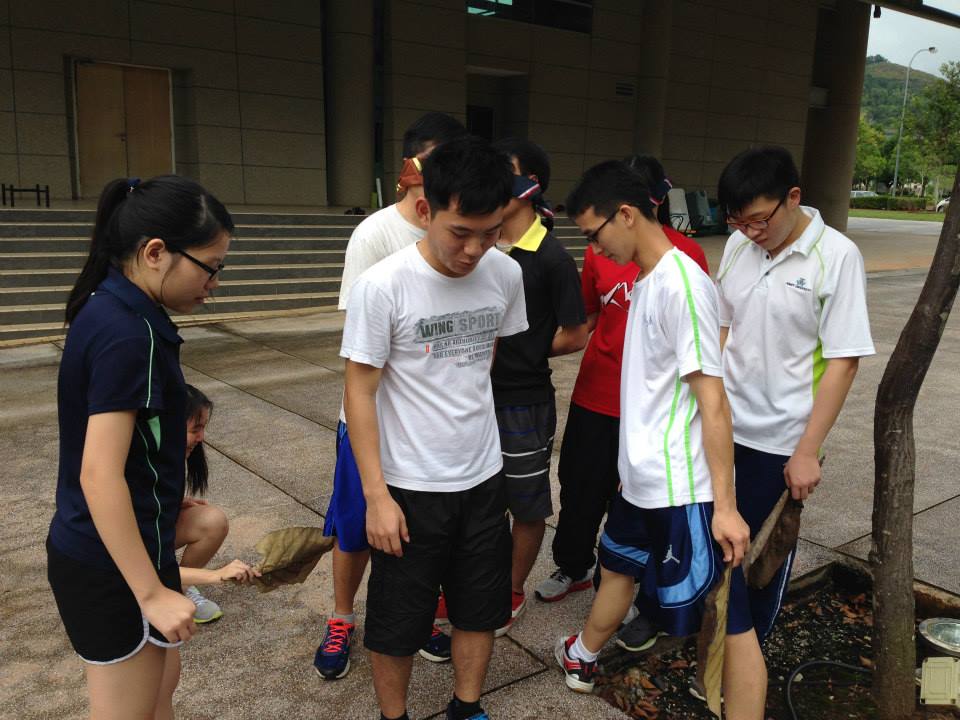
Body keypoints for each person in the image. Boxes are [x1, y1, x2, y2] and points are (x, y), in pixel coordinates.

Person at [554, 161, 763, 720]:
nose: (594, 249)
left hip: (682, 488)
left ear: (626, 215)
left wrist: (725, 507)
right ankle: (582, 654)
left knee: (730, 616)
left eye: (594, 234)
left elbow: (713, 401)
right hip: (642, 478)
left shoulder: (683, 286)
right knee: (618, 566)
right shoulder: (645, 281)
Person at [341, 136, 526, 720]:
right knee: (398, 618)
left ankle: (466, 708)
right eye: (460, 232)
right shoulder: (383, 286)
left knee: (480, 607)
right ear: (425, 210)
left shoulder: (505, 274)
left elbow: (484, 356)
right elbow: (359, 392)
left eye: (490, 233)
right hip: (409, 486)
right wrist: (377, 497)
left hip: (483, 476)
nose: (474, 250)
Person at [47, 176, 234, 719]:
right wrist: (150, 593)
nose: (214, 283)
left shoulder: (110, 305)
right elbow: (98, 474)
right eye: (210, 267)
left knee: (160, 688)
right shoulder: (131, 333)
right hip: (110, 564)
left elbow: (132, 453)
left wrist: (160, 498)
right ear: (156, 253)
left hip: (123, 547)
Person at [712, 146, 873, 686]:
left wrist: (807, 450)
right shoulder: (738, 245)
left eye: (759, 219)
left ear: (793, 198)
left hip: (780, 439)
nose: (750, 232)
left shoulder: (836, 256)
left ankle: (745, 670)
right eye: (738, 221)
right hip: (725, 426)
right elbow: (723, 328)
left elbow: (843, 362)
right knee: (716, 548)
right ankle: (715, 652)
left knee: (760, 561)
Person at [316, 112, 467, 680]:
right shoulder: (376, 234)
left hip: (431, 425)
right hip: (373, 419)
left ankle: (417, 615)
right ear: (411, 170)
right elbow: (359, 350)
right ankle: (341, 617)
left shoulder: (464, 234)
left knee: (419, 533)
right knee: (357, 526)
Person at [537, 156, 708, 642]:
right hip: (599, 394)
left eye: (596, 234)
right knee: (580, 487)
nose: (594, 245)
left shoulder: (682, 262)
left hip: (653, 411)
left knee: (638, 505)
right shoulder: (604, 254)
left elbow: (701, 359)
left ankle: (636, 593)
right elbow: (586, 317)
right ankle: (575, 566)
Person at [487, 137, 587, 636]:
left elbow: (576, 333)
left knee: (524, 502)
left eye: (502, 172)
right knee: (478, 501)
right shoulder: (480, 246)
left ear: (530, 185)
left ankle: (510, 589)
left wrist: (525, 349)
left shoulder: (551, 258)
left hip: (523, 402)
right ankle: (476, 583)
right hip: (473, 400)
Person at [175, 384, 259, 624]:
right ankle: (163, 591)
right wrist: (215, 575)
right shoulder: (137, 467)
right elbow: (144, 563)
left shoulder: (174, 459)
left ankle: (179, 588)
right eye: (195, 429)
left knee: (212, 520)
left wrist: (173, 503)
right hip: (119, 559)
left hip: (147, 545)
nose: (202, 437)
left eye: (203, 428)